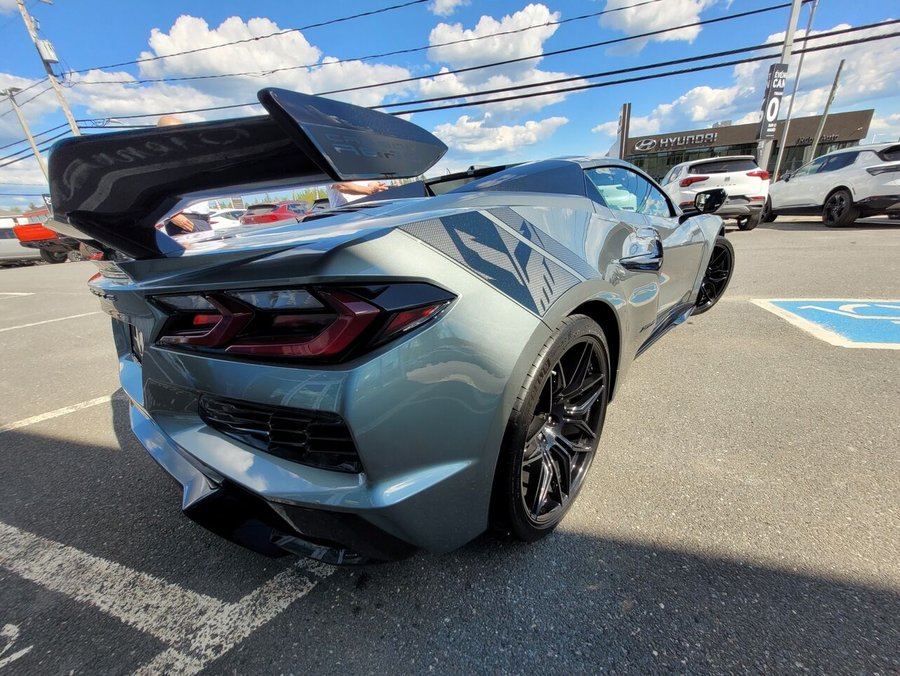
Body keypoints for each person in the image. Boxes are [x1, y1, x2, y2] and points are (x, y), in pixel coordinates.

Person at [156, 115, 212, 236]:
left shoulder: (188, 156)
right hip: (183, 222)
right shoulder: (161, 160)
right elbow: (155, 190)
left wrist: (206, 218)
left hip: (202, 220)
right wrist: (172, 215)